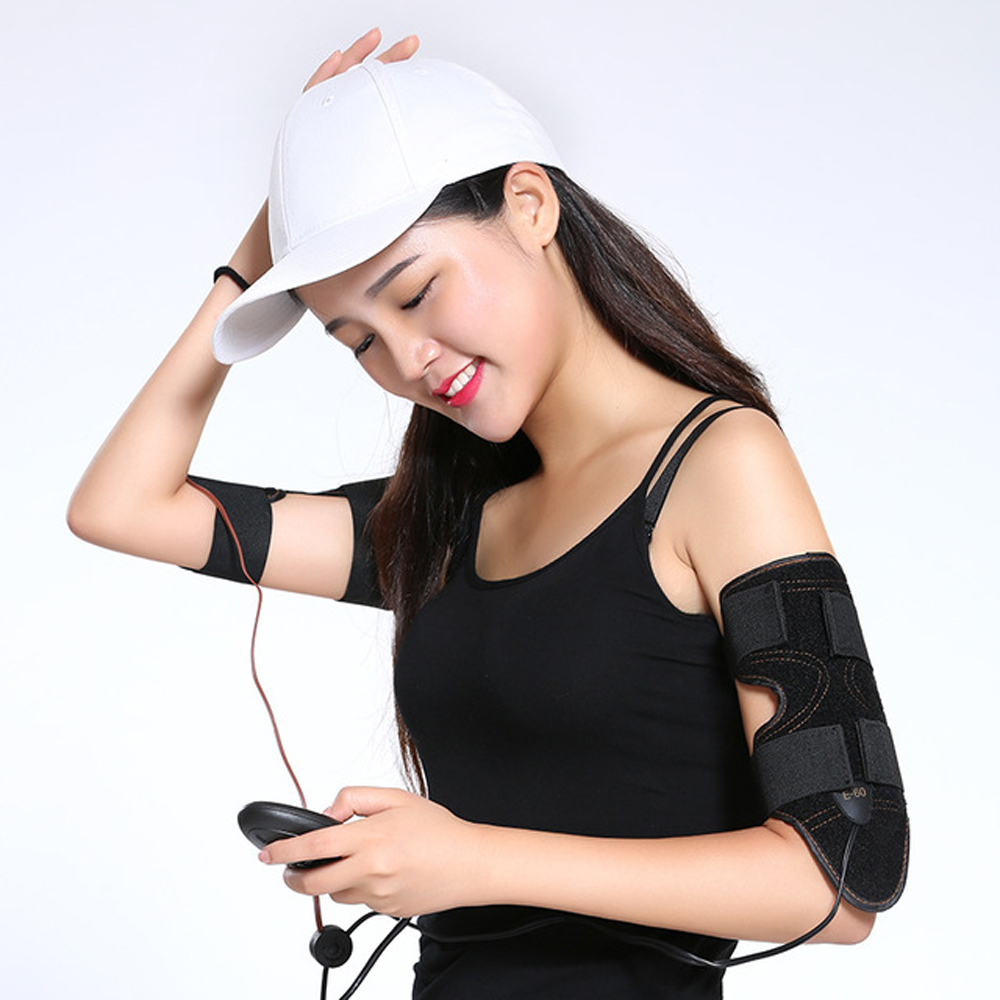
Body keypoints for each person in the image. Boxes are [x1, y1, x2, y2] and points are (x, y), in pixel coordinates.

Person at [69, 28, 899, 999]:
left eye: (418, 293)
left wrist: (473, 862)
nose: (407, 359)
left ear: (531, 205)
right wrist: (264, 248)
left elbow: (841, 878)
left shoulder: (718, 464)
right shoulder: (442, 525)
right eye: (357, 341)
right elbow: (122, 506)